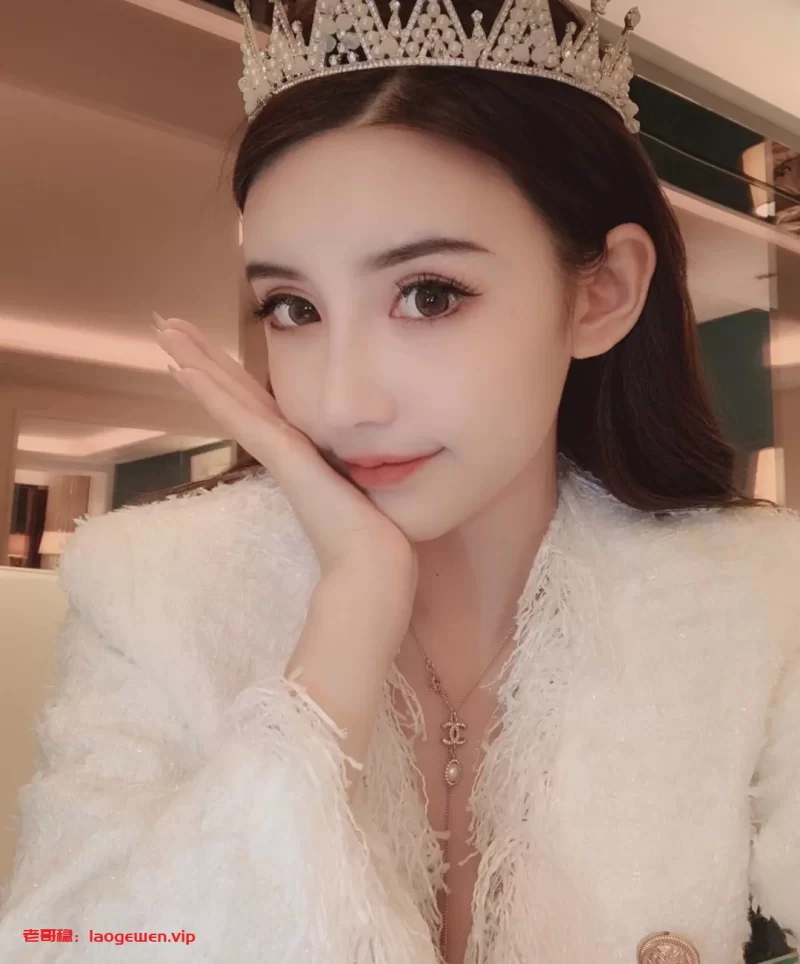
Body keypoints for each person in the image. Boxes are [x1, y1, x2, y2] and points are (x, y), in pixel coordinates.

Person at [1, 0, 798, 961]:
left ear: (602, 292)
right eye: (293, 308)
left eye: (428, 295)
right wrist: (338, 647)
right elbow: (69, 943)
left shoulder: (748, 596)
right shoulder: (157, 587)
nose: (340, 402)